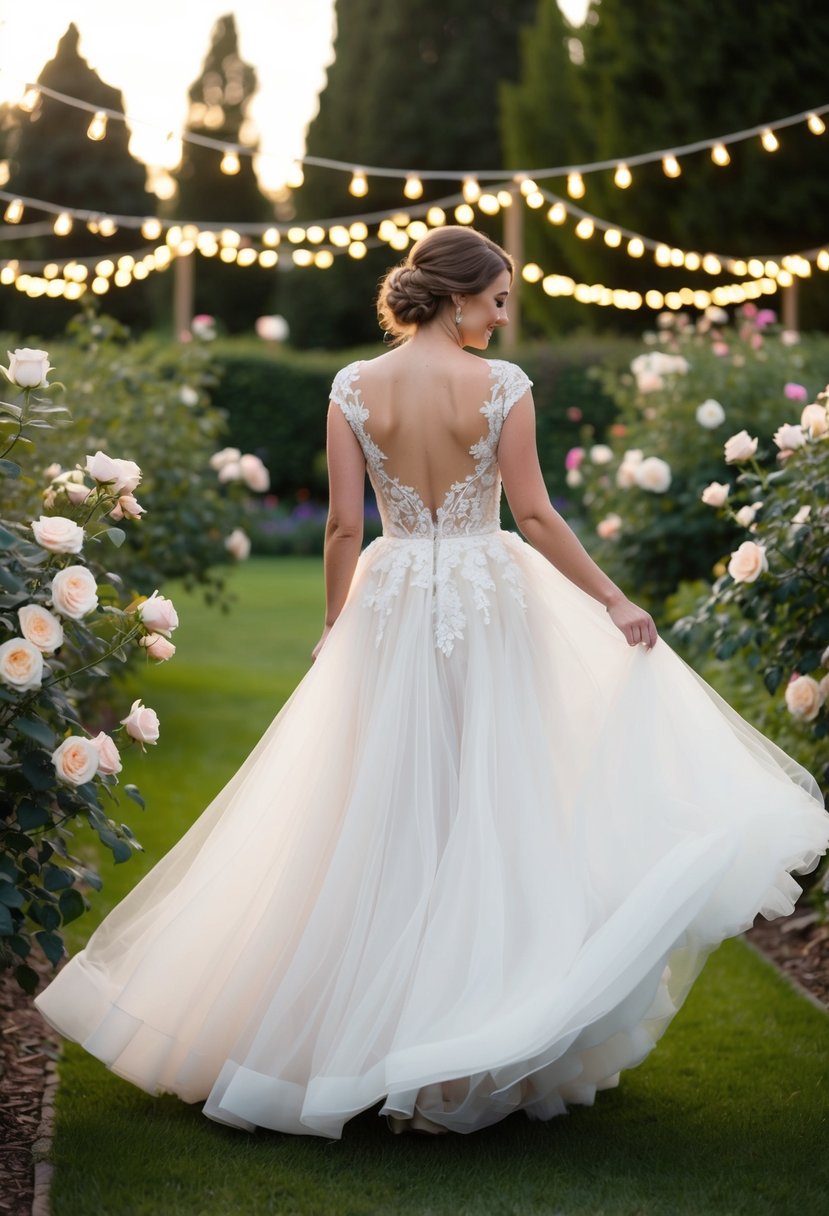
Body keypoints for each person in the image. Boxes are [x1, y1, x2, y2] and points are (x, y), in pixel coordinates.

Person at [36, 226, 829, 1140]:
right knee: (488, 800)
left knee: (381, 804)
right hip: (486, 601)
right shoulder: (500, 388)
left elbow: (343, 526)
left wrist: (337, 627)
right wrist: (612, 600)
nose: (502, 316)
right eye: (495, 299)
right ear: (455, 298)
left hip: (394, 596)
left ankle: (360, 1027)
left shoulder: (350, 387)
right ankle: (473, 1033)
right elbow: (530, 511)